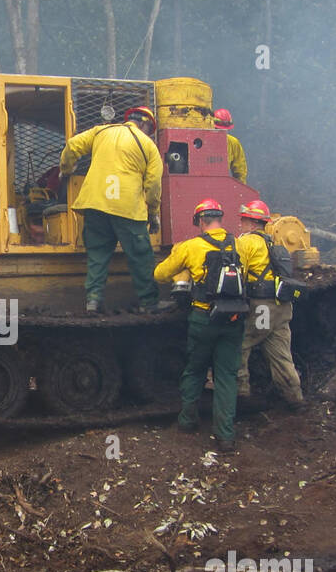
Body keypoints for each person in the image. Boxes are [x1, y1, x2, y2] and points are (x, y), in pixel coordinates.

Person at [154, 199, 256, 451]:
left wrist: (177, 256)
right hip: (234, 319)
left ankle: (188, 421)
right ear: (220, 219)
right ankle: (225, 435)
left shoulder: (191, 247)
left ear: (200, 221)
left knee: (195, 370)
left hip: (203, 318)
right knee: (226, 376)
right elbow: (252, 275)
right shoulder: (240, 246)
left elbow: (159, 274)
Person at [60, 106, 164, 313]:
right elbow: (153, 186)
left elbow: (72, 146)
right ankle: (149, 303)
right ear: (146, 125)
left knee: (98, 255)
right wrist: (153, 213)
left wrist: (66, 169)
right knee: (141, 256)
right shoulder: (148, 146)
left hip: (95, 204)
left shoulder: (100, 131)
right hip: (127, 209)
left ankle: (93, 301)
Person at [235, 200, 304, 409]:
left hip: (262, 307)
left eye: (244, 220)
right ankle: (294, 398)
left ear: (250, 222)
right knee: (281, 356)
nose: (241, 224)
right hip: (282, 307)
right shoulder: (274, 244)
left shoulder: (246, 243)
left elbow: (239, 273)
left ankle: (241, 395)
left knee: (239, 346)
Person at [214, 108, 248, 183]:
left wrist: (240, 189)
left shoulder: (233, 143)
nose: (221, 132)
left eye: (223, 130)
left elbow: (240, 170)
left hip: (222, 184)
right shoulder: (201, 141)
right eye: (218, 129)